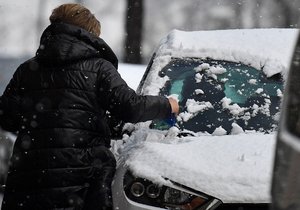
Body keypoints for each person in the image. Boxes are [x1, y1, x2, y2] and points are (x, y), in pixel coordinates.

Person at [0, 3, 179, 210]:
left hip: (29, 182)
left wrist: (41, 126)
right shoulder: (98, 68)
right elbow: (131, 107)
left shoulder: (27, 70)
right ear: (89, 34)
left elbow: (7, 118)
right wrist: (167, 105)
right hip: (79, 182)